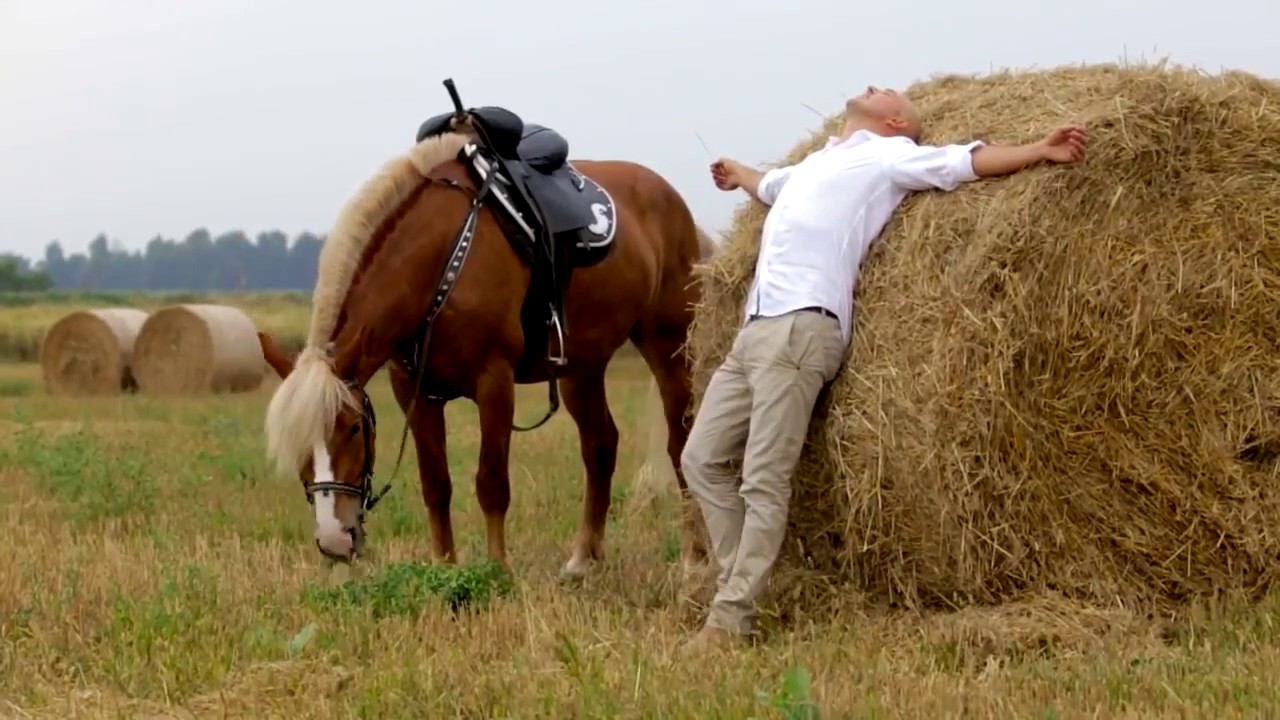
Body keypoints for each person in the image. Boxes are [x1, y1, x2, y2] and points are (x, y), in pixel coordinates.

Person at [678, 85, 1087, 655]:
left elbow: (962, 161)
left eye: (887, 93)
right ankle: (738, 583)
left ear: (895, 120)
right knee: (700, 459)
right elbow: (769, 185)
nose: (875, 86)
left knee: (763, 478)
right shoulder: (816, 163)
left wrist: (1037, 150)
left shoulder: (889, 157)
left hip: (801, 328)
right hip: (753, 332)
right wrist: (736, 172)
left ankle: (732, 620)